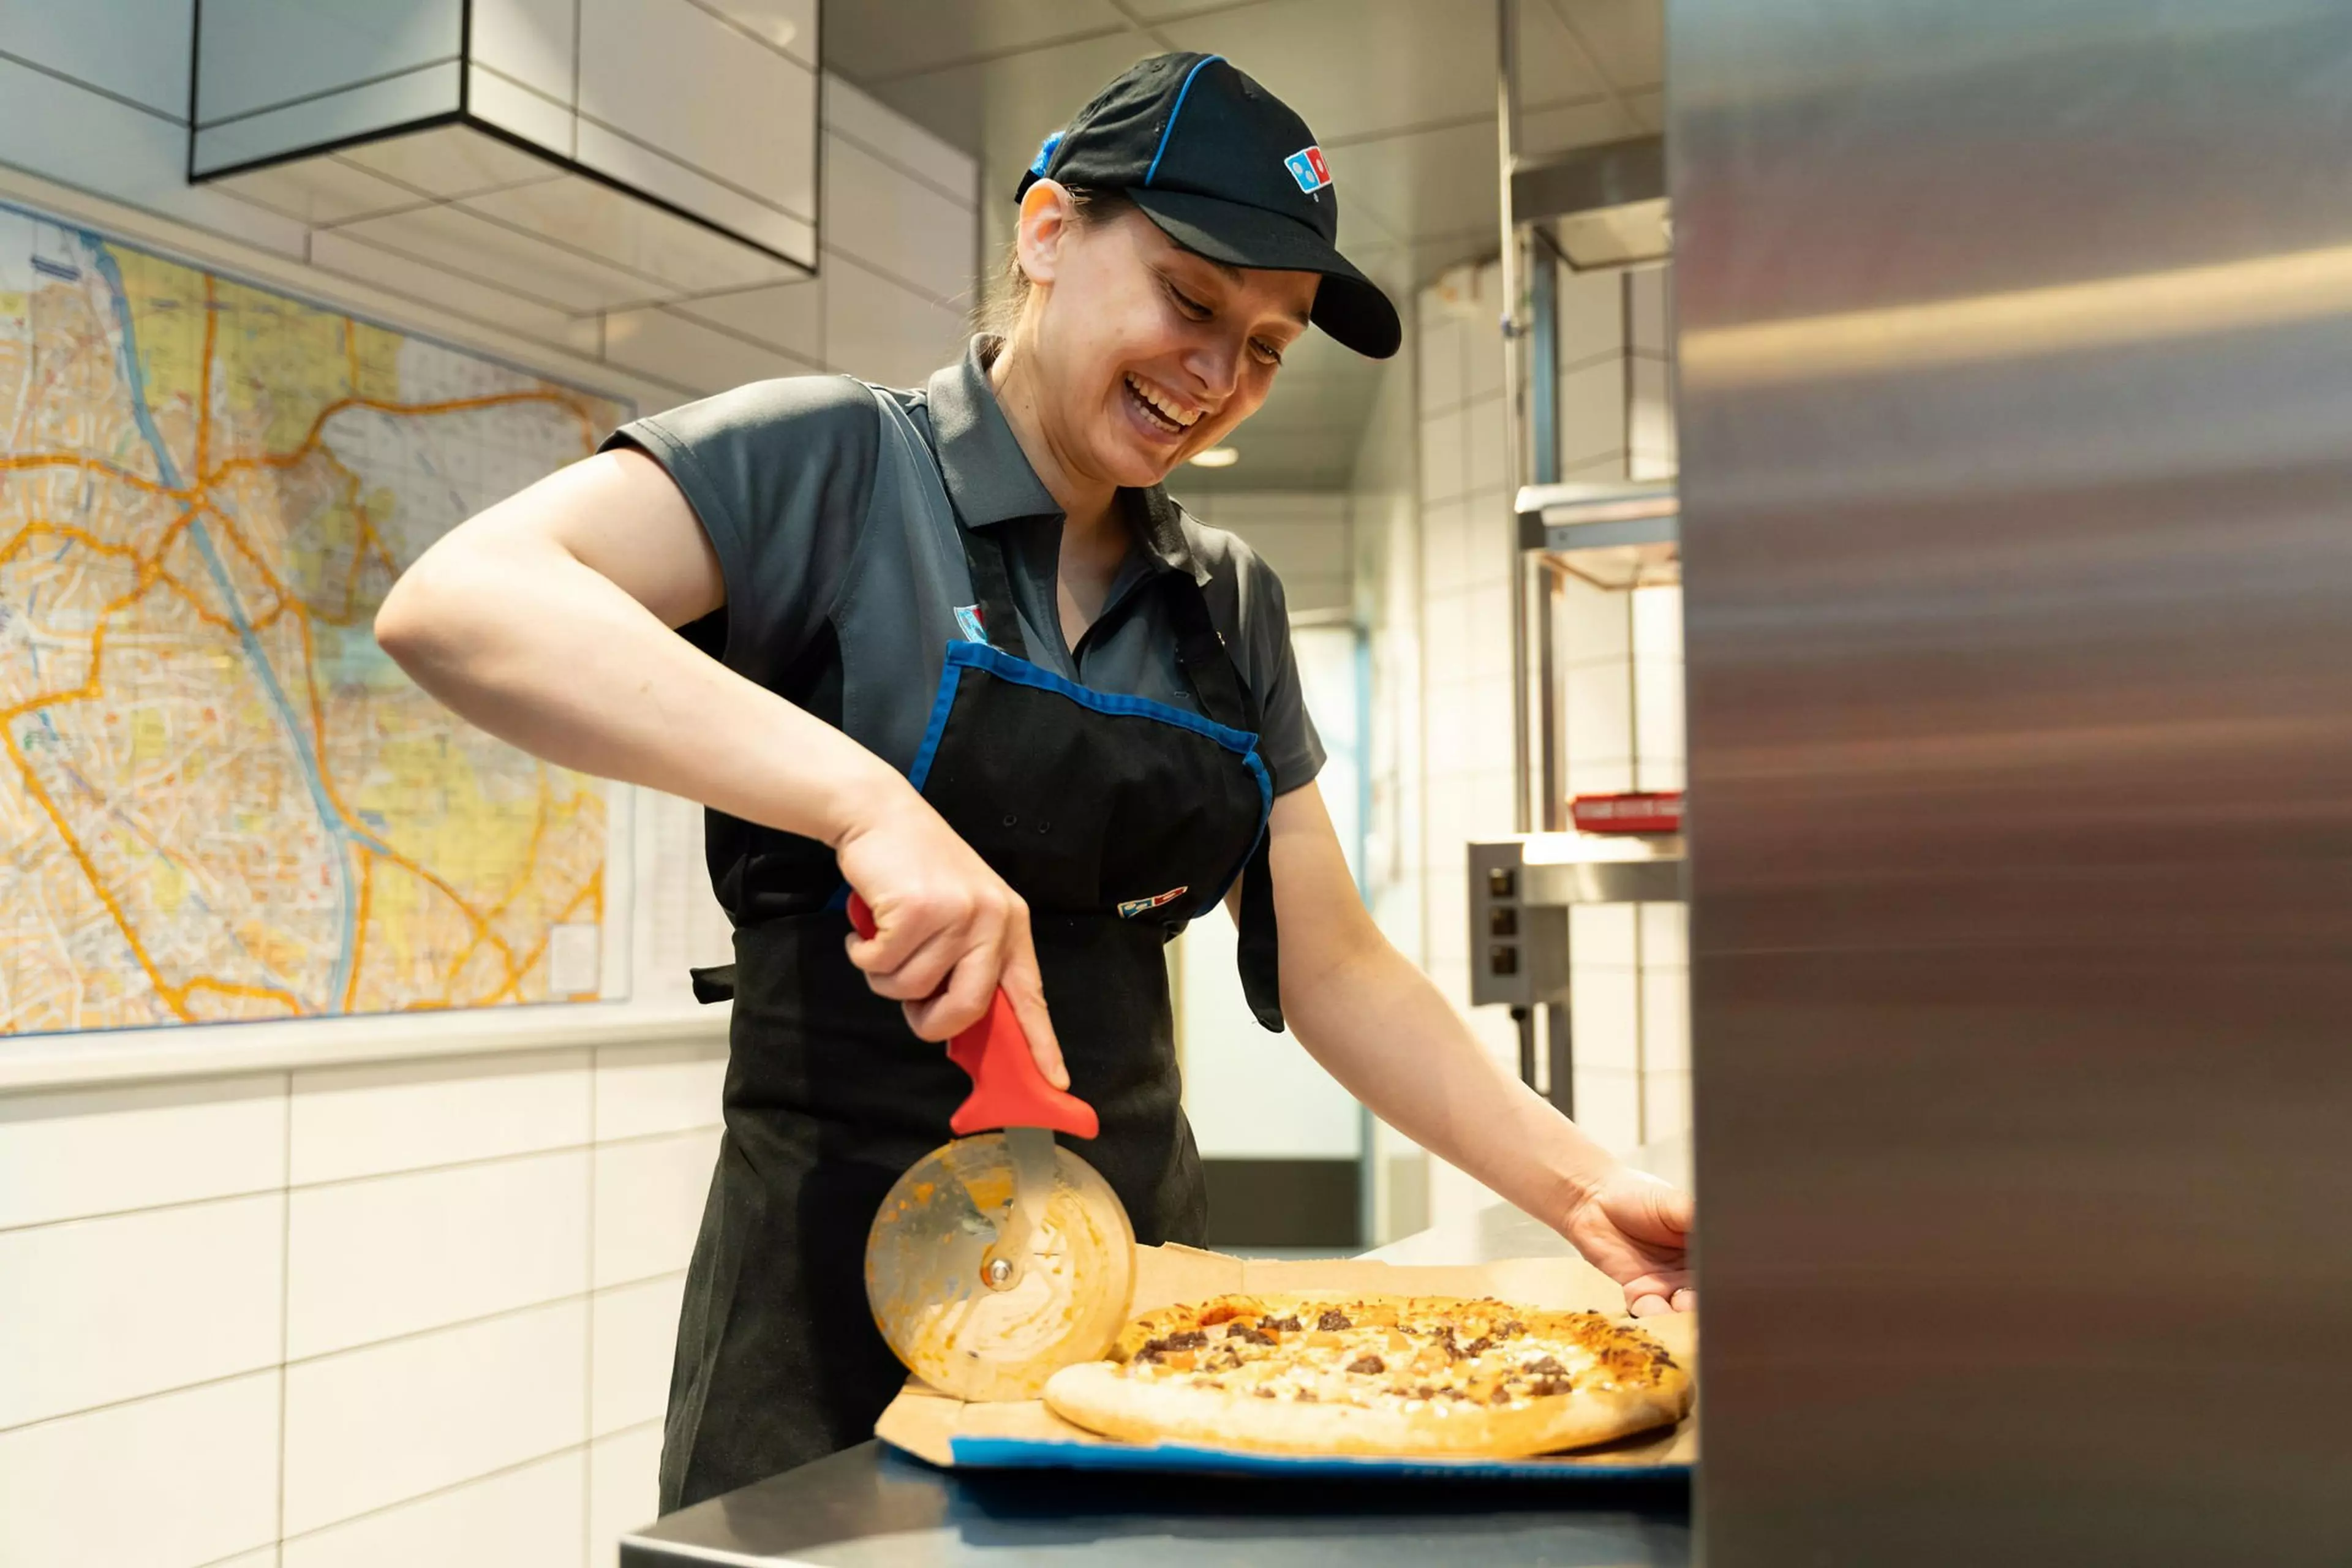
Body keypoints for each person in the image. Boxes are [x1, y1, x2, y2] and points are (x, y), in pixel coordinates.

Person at [375, 51, 1694, 1512]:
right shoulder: (838, 470)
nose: (1220, 373)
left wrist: (1584, 1191)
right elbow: (462, 601)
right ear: (1049, 232)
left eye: (1269, 343)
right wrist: (870, 804)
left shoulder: (1226, 601)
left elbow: (1338, 968)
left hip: (1142, 1294)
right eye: (1194, 301)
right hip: (824, 1301)